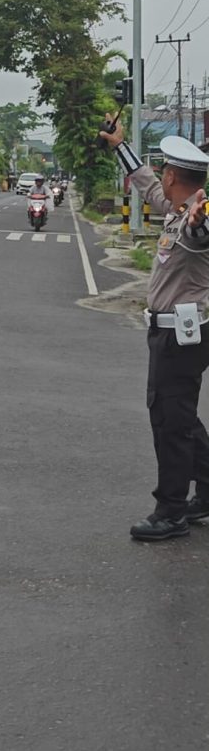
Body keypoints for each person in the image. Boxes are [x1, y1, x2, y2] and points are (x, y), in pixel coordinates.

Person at [100, 118, 209, 541]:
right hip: (174, 334)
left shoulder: (197, 216)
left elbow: (203, 233)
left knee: (169, 421)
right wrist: (120, 146)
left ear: (172, 174)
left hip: (182, 337)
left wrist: (201, 222)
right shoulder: (177, 209)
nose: (158, 178)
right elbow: (145, 185)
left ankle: (171, 512)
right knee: (178, 416)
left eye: (163, 171)